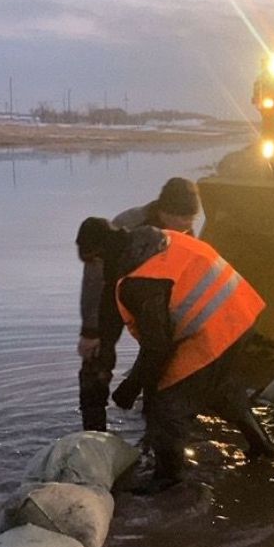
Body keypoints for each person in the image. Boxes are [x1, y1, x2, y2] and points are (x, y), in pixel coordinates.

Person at [74, 218, 274, 492]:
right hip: (239, 313)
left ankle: (169, 479)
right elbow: (111, 311)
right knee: (214, 387)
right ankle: (262, 447)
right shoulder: (151, 243)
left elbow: (157, 347)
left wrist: (132, 387)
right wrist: (100, 349)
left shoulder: (141, 281)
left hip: (212, 329)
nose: (92, 272)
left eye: (91, 262)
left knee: (165, 400)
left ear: (101, 253)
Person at [77, 178, 201, 430]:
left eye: (192, 218)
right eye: (183, 218)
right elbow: (94, 280)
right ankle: (93, 428)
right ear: (165, 211)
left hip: (153, 306)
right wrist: (91, 331)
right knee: (97, 362)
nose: (188, 225)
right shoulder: (127, 225)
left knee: (159, 361)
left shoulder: (185, 232)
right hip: (112, 298)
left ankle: (153, 422)